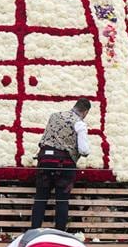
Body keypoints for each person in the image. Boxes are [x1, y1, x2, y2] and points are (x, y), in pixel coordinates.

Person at [32, 98, 94, 232]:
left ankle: (33, 231)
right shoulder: (79, 123)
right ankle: (59, 233)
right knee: (62, 201)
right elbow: (84, 150)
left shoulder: (54, 116)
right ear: (85, 112)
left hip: (44, 161)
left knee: (40, 199)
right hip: (64, 164)